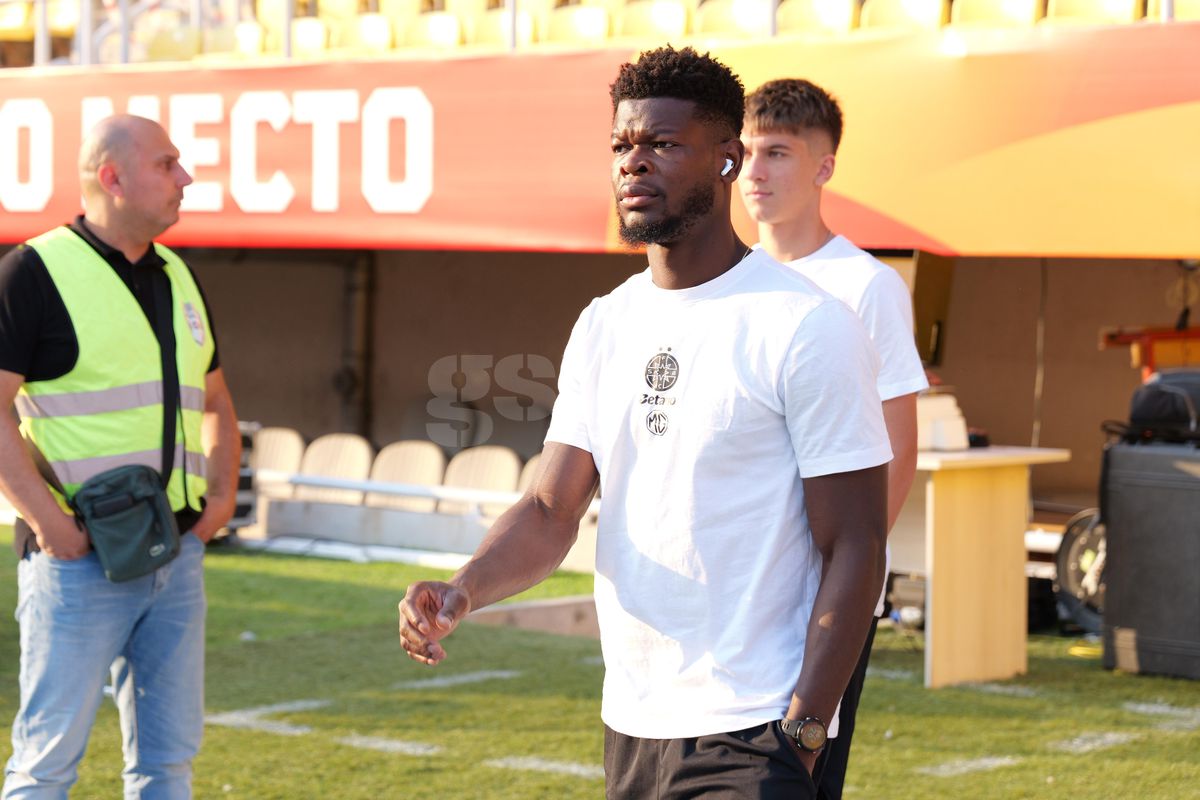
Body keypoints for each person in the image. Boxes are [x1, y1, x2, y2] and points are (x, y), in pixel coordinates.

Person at [400, 47, 892, 799]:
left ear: (727, 161)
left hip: (757, 726)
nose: (633, 164)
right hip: (633, 721)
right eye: (621, 146)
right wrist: (463, 588)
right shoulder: (605, 323)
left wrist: (805, 731)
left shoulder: (805, 325)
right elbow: (549, 507)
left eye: (662, 144)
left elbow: (856, 542)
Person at [0, 115, 240, 799]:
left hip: (177, 557)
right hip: (78, 566)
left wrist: (219, 501)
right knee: (46, 767)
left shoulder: (178, 275)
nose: (185, 177)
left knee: (167, 766)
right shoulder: (32, 273)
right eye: (168, 164)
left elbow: (216, 400)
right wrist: (51, 526)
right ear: (112, 178)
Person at [740, 78, 929, 800]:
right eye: (748, 152)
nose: (756, 172)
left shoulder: (866, 285)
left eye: (779, 153)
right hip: (743, 585)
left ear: (824, 167)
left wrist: (848, 577)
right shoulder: (726, 280)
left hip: (823, 591)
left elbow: (896, 448)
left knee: (799, 779)